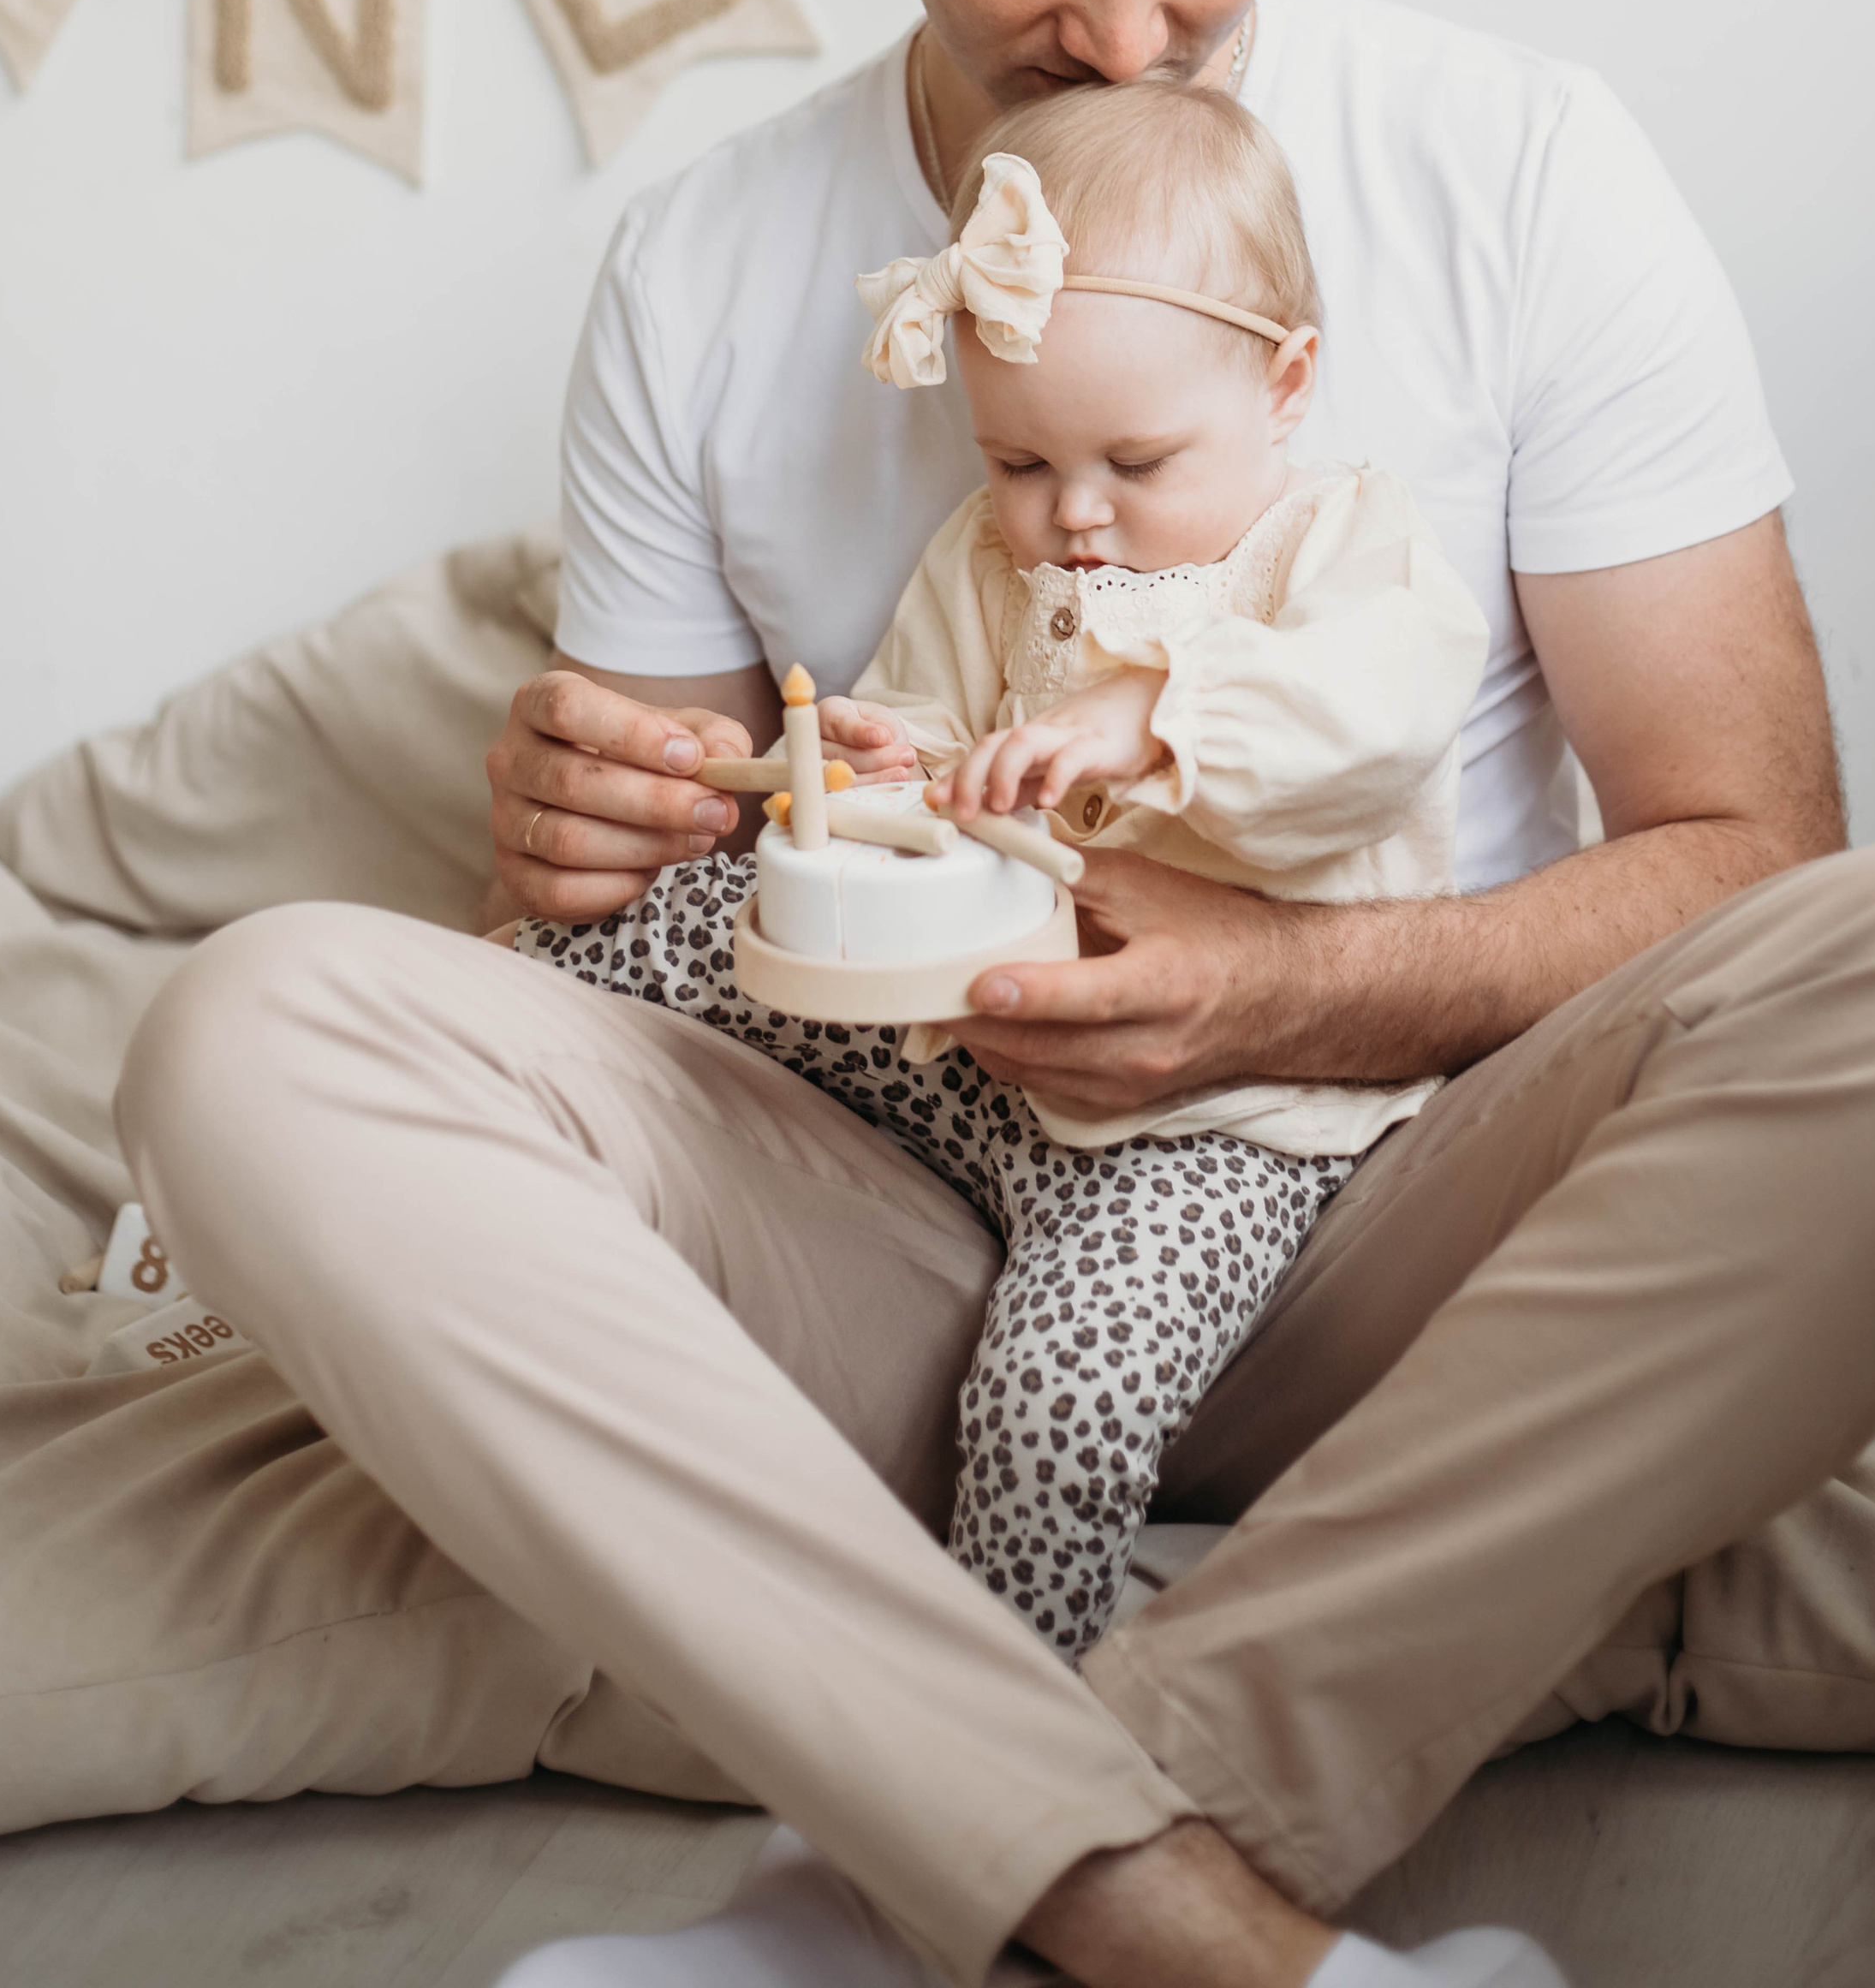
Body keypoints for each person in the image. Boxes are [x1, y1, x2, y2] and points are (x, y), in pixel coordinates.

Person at [117, 0, 1875, 1988]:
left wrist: (1276, 990)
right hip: (890, 1225)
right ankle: (1164, 1916)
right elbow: (693, 909)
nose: (1129, 29)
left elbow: (1750, 858)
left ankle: (984, 1865)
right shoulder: (708, 262)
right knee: (255, 1030)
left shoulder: (1519, 171)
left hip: (1383, 1218)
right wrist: (578, 827)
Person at [516, 88, 1491, 1659]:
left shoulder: (1348, 554)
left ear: (1286, 383)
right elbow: (919, 707)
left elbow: (1374, 720)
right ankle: (442, 1047)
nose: (1076, 515)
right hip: (975, 1045)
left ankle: (1006, 1718)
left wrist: (1148, 713)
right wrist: (877, 762)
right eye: (1022, 455)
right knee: (696, 918)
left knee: (1053, 1405)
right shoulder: (995, 552)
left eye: (1137, 458)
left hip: (1208, 1131)